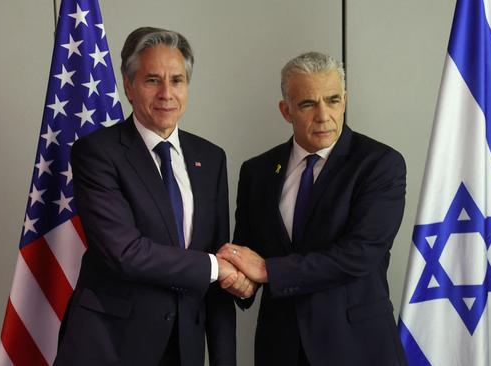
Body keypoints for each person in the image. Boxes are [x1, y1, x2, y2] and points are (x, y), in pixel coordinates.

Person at [54, 27, 248, 366]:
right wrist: (218, 266)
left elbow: (217, 271)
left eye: (177, 80)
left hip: (184, 346)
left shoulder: (211, 157)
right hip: (109, 345)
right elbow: (125, 252)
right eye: (152, 80)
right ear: (129, 86)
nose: (166, 93)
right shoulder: (97, 153)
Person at [218, 52, 408, 366]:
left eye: (332, 100)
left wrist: (267, 271)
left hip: (356, 348)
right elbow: (246, 251)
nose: (323, 115)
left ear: (344, 101)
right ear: (286, 110)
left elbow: (359, 254)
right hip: (280, 348)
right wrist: (239, 282)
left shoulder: (379, 164)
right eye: (308, 104)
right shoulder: (258, 171)